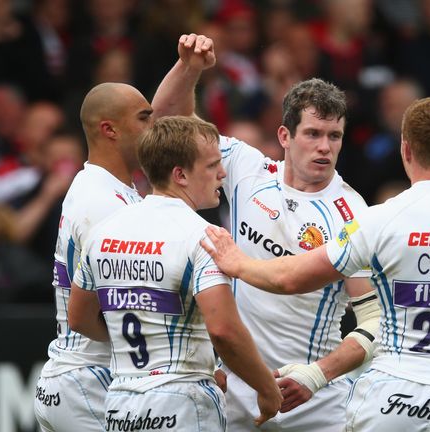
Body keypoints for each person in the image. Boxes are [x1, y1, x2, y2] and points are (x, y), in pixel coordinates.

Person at [201, 97, 430, 431]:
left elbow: (289, 278)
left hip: (394, 392)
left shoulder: (378, 219)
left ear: (406, 150)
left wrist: (236, 263)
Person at [33, 33, 217, 432]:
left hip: (72, 377)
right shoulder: (104, 204)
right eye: (143, 118)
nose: (155, 126)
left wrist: (188, 69)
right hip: (90, 379)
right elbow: (87, 317)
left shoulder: (105, 188)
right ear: (109, 130)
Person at [187, 77, 379, 430]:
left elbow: (374, 322)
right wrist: (188, 68)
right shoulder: (249, 169)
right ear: (284, 137)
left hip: (312, 400)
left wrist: (317, 375)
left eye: (334, 136)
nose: (325, 147)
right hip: (236, 392)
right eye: (312, 134)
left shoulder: (353, 214)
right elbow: (174, 129)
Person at [67, 115, 282, 430]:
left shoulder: (103, 232)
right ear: (180, 175)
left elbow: (79, 319)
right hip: (181, 402)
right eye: (212, 166)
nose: (222, 174)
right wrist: (266, 389)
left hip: (121, 405)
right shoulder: (204, 236)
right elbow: (224, 331)